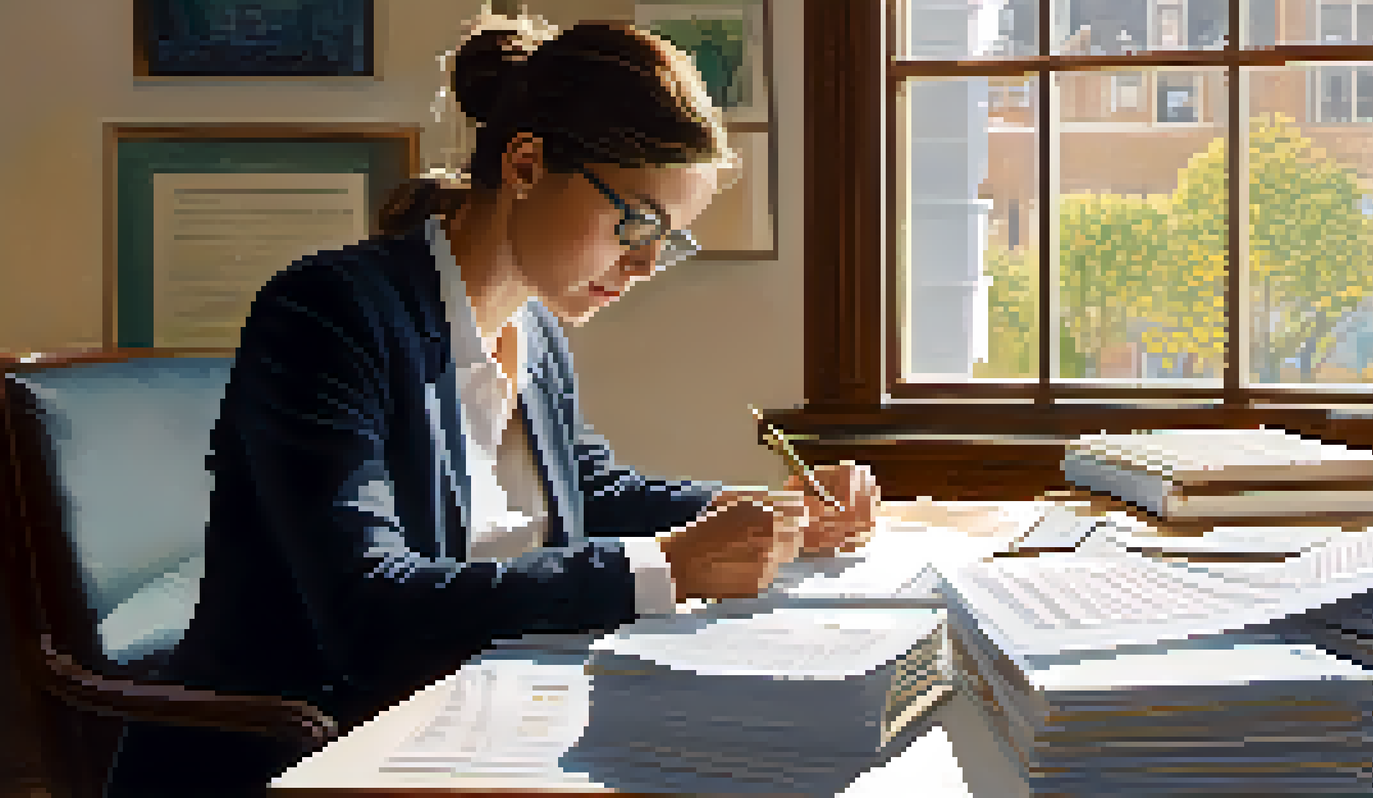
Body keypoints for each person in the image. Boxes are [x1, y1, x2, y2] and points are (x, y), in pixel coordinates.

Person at [105, 11, 879, 796]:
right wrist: (665, 567)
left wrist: (771, 512)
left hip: (470, 719)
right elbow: (370, 607)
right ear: (527, 165)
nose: (645, 264)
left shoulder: (535, 328)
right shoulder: (328, 313)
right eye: (637, 221)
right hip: (306, 754)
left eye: (668, 238)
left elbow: (592, 491)